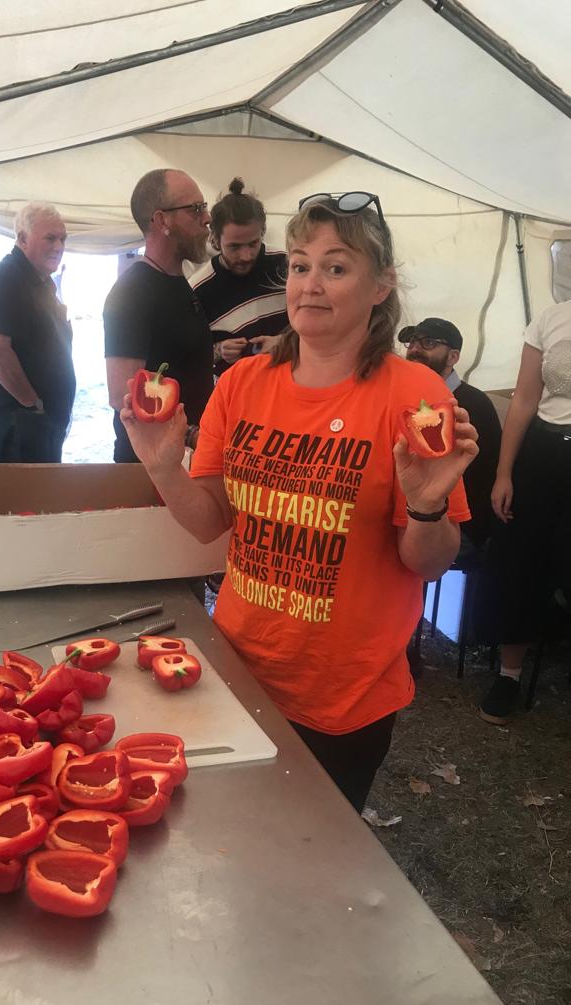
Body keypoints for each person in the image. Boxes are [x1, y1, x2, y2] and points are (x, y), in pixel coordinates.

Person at [119, 192, 478, 813]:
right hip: (238, 672)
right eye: (303, 265)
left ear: (381, 286)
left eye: (337, 268)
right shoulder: (243, 384)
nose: (311, 285)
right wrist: (162, 465)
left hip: (344, 698)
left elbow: (430, 563)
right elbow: (209, 523)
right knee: (235, 843)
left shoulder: (414, 395)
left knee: (315, 863)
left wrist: (426, 507)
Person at [477, 299, 571, 725]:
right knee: (519, 561)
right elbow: (524, 399)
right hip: (541, 452)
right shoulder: (552, 317)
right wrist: (503, 473)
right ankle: (509, 676)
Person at [104, 169, 214, 463]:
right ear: (162, 220)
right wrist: (191, 435)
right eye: (195, 209)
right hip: (152, 466)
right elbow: (121, 393)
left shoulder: (176, 281)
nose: (206, 218)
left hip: (183, 458)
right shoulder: (133, 293)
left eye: (204, 208)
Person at [0, 202, 75, 463]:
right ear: (22, 239)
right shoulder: (6, 277)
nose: (59, 246)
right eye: (50, 238)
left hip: (34, 422)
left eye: (62, 238)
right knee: (27, 502)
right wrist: (33, 404)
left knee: (42, 500)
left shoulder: (39, 281)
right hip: (20, 422)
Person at [400, 317, 501, 554]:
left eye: (428, 343)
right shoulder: (403, 397)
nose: (415, 349)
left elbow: (484, 478)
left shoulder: (474, 405)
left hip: (457, 527)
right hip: (406, 515)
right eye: (412, 342)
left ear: (453, 357)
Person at [190, 177, 288, 377]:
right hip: (238, 394)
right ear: (215, 240)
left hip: (293, 384)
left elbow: (319, 327)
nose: (246, 256)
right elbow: (191, 357)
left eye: (253, 243)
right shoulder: (198, 290)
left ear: (262, 232)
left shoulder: (287, 264)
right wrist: (219, 350)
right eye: (234, 247)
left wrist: (283, 342)